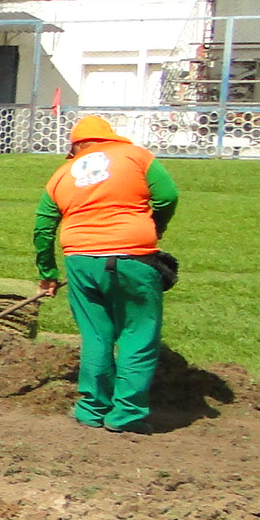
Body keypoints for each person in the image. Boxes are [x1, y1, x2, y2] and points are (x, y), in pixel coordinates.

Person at [35, 113, 180, 434]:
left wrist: (47, 273)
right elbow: (167, 196)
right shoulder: (137, 157)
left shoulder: (61, 176)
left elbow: (43, 228)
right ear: (111, 139)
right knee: (137, 334)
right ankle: (126, 414)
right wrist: (154, 228)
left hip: (81, 262)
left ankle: (92, 407)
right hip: (133, 258)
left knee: (96, 335)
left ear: (76, 149)